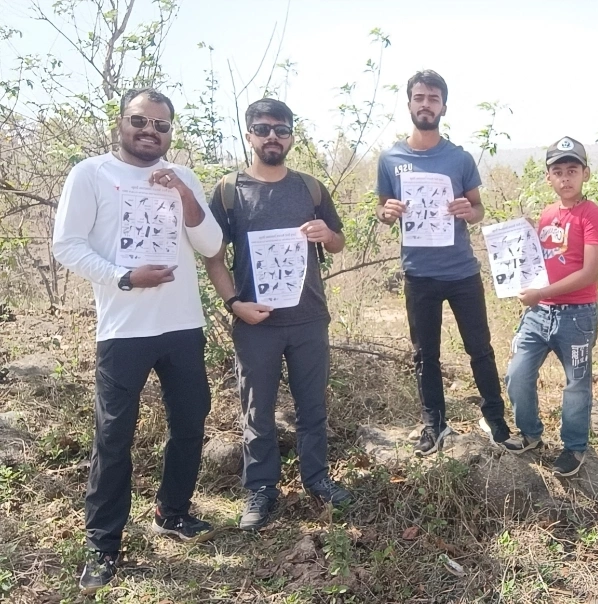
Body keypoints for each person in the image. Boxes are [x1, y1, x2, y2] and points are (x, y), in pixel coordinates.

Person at [53, 88, 223, 594]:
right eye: (140, 121)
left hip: (183, 325)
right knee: (113, 437)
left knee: (190, 421)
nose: (150, 131)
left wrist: (184, 194)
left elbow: (212, 244)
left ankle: (172, 512)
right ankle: (102, 545)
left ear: (170, 131)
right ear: (121, 123)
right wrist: (125, 278)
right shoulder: (90, 174)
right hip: (124, 329)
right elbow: (66, 245)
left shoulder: (183, 176)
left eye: (161, 125)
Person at [204, 98, 351, 531]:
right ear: (249, 134)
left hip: (309, 317)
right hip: (256, 322)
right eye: (263, 129)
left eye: (281, 130)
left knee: (313, 407)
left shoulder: (310, 187)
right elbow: (214, 257)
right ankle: (261, 489)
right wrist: (234, 304)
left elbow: (338, 243)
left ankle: (317, 479)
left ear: (291, 136)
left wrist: (327, 234)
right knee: (257, 410)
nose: (273, 137)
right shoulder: (229, 191)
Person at [375, 69, 512, 456]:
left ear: (443, 107)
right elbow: (382, 210)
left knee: (480, 349)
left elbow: (478, 209)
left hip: (462, 272)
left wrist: (469, 210)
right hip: (419, 274)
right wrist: (387, 212)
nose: (426, 105)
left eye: (433, 99)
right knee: (425, 355)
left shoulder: (459, 158)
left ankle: (496, 420)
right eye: (419, 98)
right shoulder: (390, 159)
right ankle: (433, 424)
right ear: (409, 104)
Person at [502, 137, 598, 477]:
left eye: (572, 171)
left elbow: (589, 273)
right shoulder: (548, 215)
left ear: (585, 174)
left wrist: (543, 292)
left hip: (577, 317)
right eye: (558, 171)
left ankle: (574, 447)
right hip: (537, 314)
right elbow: (536, 262)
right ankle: (530, 435)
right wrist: (521, 240)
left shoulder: (592, 216)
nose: (566, 178)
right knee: (517, 373)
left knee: (576, 384)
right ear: (548, 177)